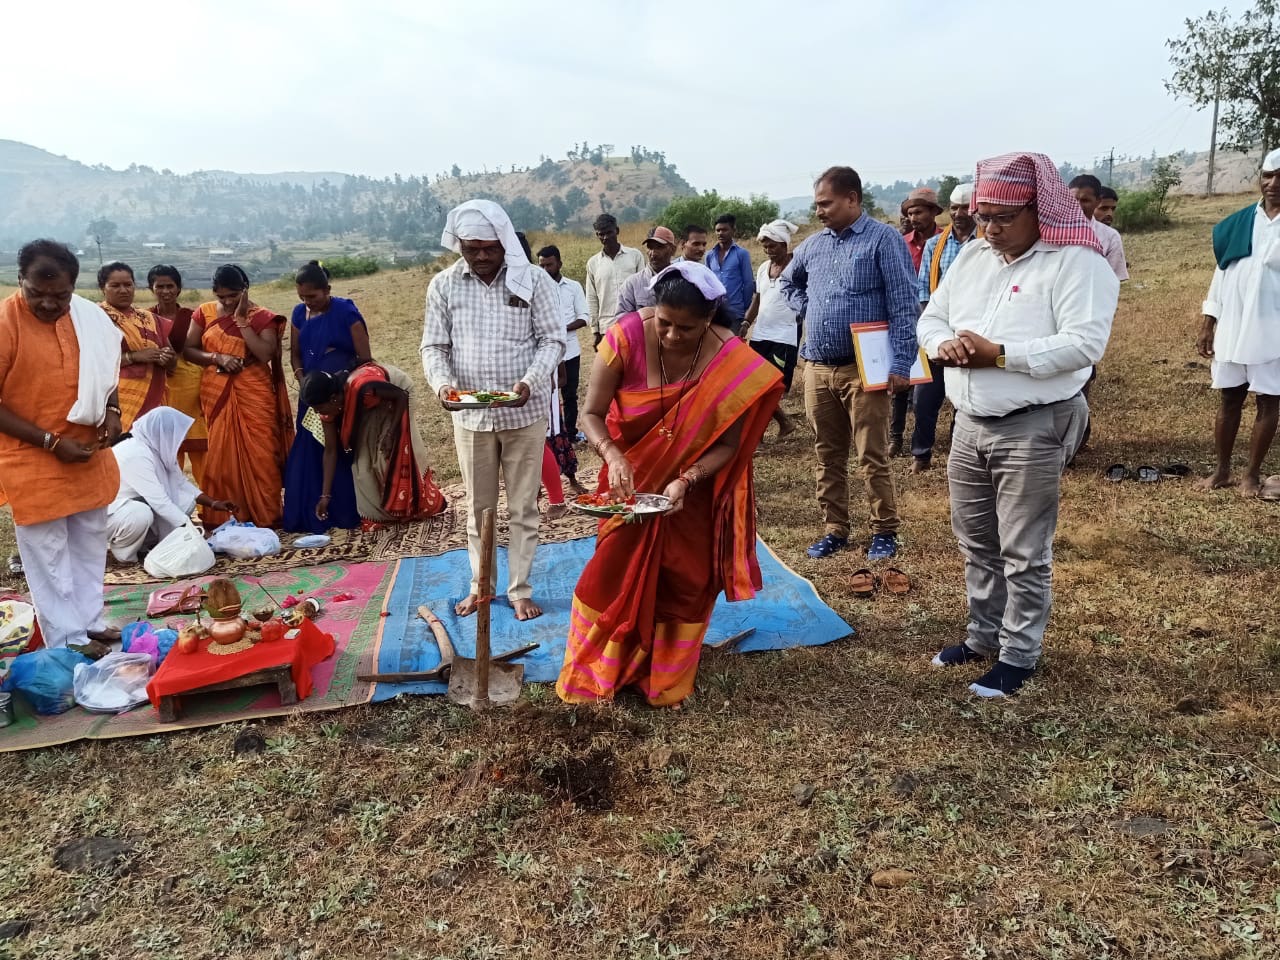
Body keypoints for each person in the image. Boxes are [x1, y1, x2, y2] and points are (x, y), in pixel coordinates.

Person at [917, 151, 1118, 698]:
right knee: (976, 539)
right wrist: (945, 344)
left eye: (1004, 217)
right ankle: (983, 635)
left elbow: (1084, 344)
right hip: (968, 423)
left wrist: (1000, 355)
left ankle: (1019, 654)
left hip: (1034, 423)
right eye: (984, 216)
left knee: (1024, 549)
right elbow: (931, 316)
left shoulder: (1076, 262)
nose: (990, 228)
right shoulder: (975, 257)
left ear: (1041, 208)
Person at [556, 262, 783, 708]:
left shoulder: (730, 358)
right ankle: (599, 672)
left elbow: (730, 446)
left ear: (709, 319)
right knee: (608, 577)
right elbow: (590, 415)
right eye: (664, 323)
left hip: (689, 494)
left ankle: (664, 682)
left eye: (687, 328)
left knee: (686, 580)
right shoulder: (623, 338)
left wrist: (685, 479)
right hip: (626, 483)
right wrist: (614, 455)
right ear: (652, 310)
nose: (673, 336)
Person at [422, 200, 563, 622]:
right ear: (459, 245)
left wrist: (529, 382)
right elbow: (434, 346)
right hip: (470, 416)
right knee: (478, 508)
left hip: (524, 410)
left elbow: (552, 340)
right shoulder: (444, 285)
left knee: (523, 506)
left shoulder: (533, 281)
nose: (481, 256)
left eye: (489, 248)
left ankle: (519, 590)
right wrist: (442, 385)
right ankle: (480, 588)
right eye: (471, 248)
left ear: (504, 242)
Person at [782, 166, 918, 561]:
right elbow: (788, 283)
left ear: (852, 199)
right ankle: (835, 528)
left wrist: (903, 362)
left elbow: (903, 302)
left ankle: (884, 530)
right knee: (827, 454)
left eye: (826, 203)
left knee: (871, 454)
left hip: (865, 370)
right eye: (817, 204)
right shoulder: (812, 246)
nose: (820, 211)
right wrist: (807, 308)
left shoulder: (883, 240)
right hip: (819, 368)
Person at [0, 241, 122, 655]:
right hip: (31, 456)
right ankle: (68, 639)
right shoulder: (4, 322)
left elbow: (106, 371)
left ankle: (89, 622)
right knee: (47, 555)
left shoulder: (89, 318)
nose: (49, 303)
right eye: (38, 293)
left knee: (89, 540)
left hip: (87, 453)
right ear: (21, 281)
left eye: (61, 295)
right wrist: (52, 442)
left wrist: (113, 410)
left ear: (74, 287)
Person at [1195, 148, 1280, 496]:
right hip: (1232, 325)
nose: (1273, 184)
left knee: (1269, 401)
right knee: (1229, 398)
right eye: (1267, 175)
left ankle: (1252, 474)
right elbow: (1221, 275)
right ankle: (1222, 471)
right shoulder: (1239, 223)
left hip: (1273, 330)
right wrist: (1208, 323)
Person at [183, 265, 294, 528]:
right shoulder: (205, 312)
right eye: (222, 296)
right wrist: (216, 357)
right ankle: (225, 515)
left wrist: (243, 322)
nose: (227, 302)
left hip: (254, 391)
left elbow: (266, 353)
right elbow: (188, 349)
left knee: (262, 455)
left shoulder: (262, 316)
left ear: (245, 290)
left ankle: (266, 513)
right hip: (217, 391)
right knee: (221, 456)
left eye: (233, 295)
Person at [894, 182, 980, 472]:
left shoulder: (985, 243)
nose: (959, 213)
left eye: (965, 206)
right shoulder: (936, 244)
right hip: (938, 329)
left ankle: (959, 452)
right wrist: (929, 332)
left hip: (974, 329)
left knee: (965, 397)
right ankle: (921, 454)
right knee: (925, 398)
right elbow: (923, 292)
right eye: (954, 207)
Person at [282, 260, 372, 533]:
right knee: (310, 450)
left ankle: (344, 510)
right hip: (312, 393)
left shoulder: (346, 311)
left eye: (313, 296)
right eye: (302, 297)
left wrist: (338, 382)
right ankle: (308, 513)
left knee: (337, 448)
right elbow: (295, 353)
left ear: (327, 289)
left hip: (338, 394)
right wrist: (303, 379)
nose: (308, 302)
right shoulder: (299, 314)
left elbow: (365, 358)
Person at [298, 366, 445, 524]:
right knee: (362, 466)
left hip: (400, 393)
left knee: (390, 456)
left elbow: (401, 396)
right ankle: (385, 516)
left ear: (333, 398)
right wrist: (325, 496)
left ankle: (415, 507)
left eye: (318, 407)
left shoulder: (362, 387)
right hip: (372, 404)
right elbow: (331, 451)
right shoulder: (328, 409)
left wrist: (390, 435)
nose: (316, 412)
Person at [106, 407, 236, 562]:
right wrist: (193, 531)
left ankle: (148, 544)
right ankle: (124, 555)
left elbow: (181, 483)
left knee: (185, 501)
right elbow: (160, 502)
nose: (179, 441)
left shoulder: (156, 448)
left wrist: (214, 503)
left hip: (128, 509)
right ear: (162, 433)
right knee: (141, 514)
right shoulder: (134, 452)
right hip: (107, 515)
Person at [741, 219, 802, 436]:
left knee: (770, 387)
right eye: (765, 246)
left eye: (772, 246)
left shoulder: (797, 267)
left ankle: (757, 434)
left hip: (785, 337)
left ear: (784, 244)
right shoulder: (764, 268)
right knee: (754, 383)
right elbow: (758, 298)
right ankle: (782, 423)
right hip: (761, 334)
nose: (768, 251)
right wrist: (747, 322)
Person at [147, 265, 207, 484]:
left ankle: (211, 512)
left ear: (179, 288)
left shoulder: (192, 317)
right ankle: (173, 514)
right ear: (151, 288)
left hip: (192, 389)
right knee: (167, 457)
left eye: (170, 286)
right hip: (160, 391)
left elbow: (201, 350)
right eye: (160, 286)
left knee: (203, 457)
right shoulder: (146, 319)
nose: (165, 291)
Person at [98, 262, 175, 430]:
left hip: (155, 398)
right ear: (103, 288)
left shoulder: (150, 318)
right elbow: (91, 362)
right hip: (116, 400)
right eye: (115, 285)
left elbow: (172, 361)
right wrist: (133, 357)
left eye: (128, 284)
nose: (123, 290)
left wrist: (166, 357)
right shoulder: (96, 317)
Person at [537, 245, 589, 440]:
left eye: (549, 265)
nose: (545, 270)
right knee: (546, 395)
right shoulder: (536, 288)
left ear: (559, 263)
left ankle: (570, 434)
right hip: (544, 353)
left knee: (569, 395)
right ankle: (550, 433)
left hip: (570, 351)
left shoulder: (573, 287)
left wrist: (560, 329)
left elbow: (584, 317)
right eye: (541, 265)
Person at [585, 213, 644, 346]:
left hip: (633, 324)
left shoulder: (635, 256)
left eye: (609, 232)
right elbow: (592, 298)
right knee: (610, 366)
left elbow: (642, 291)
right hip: (607, 327)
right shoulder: (593, 263)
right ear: (597, 235)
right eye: (601, 234)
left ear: (617, 231)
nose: (605, 237)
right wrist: (595, 331)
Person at [1069, 175, 1129, 281]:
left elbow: (1114, 279)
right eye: (1073, 200)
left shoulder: (1110, 236)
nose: (1078, 206)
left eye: (1085, 200)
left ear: (1097, 201)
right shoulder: (1051, 231)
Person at [616, 226, 678, 318]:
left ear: (673, 250)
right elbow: (622, 319)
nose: (653, 253)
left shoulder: (682, 280)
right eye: (650, 247)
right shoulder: (632, 284)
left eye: (659, 247)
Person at [706, 214, 755, 330]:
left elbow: (748, 283)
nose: (720, 233)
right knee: (715, 347)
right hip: (715, 313)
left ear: (733, 230)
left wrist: (744, 308)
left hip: (735, 313)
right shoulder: (709, 255)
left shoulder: (742, 254)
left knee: (732, 346)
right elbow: (707, 282)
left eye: (724, 230)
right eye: (718, 230)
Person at [902, 187, 944, 272]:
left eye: (918, 213)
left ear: (933, 212)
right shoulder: (902, 243)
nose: (913, 219)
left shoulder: (946, 240)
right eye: (910, 214)